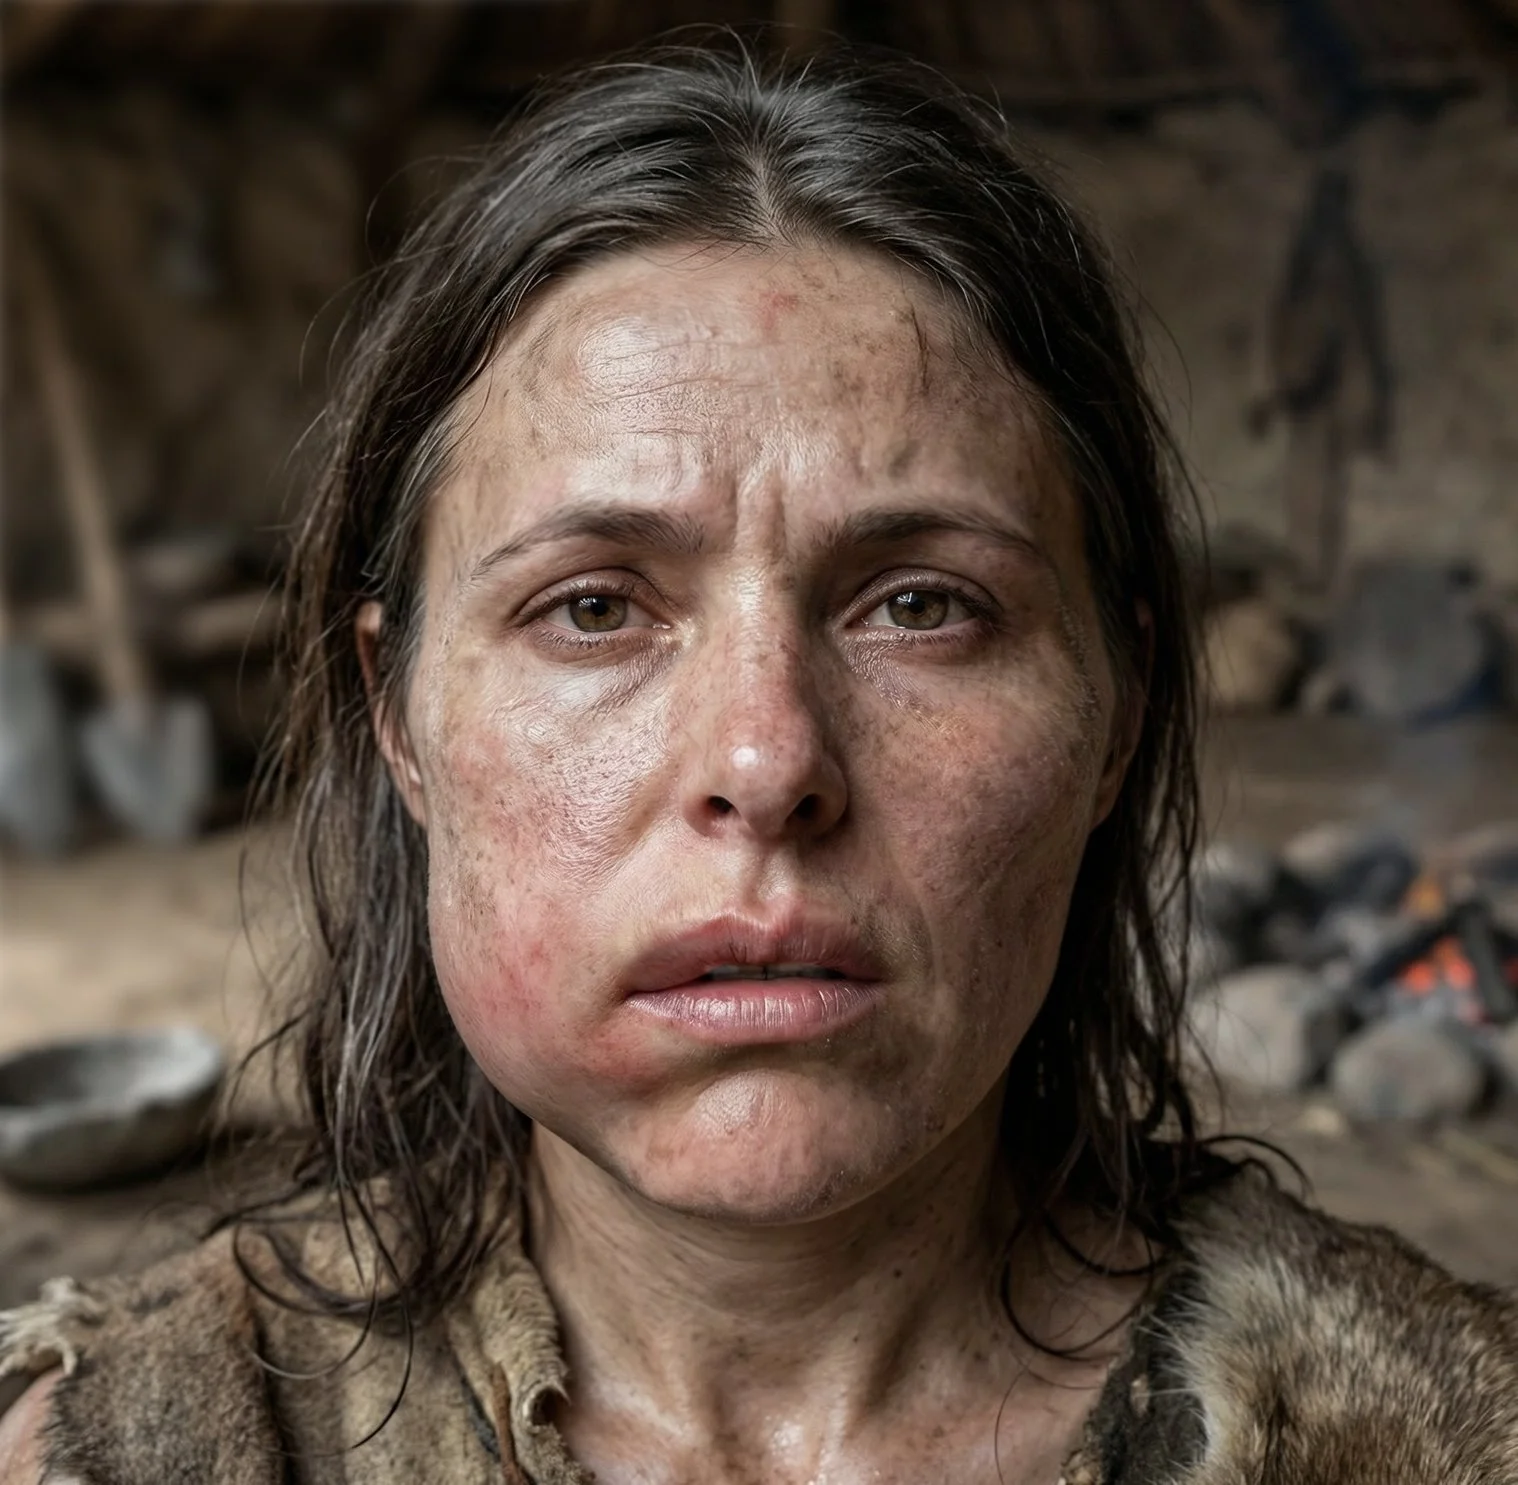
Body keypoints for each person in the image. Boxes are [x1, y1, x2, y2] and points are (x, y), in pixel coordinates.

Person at [2, 39, 1515, 1485]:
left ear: (1115, 715)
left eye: (920, 605)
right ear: (397, 719)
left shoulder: (1445, 1430)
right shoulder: (125, 1444)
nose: (764, 758)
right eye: (592, 608)